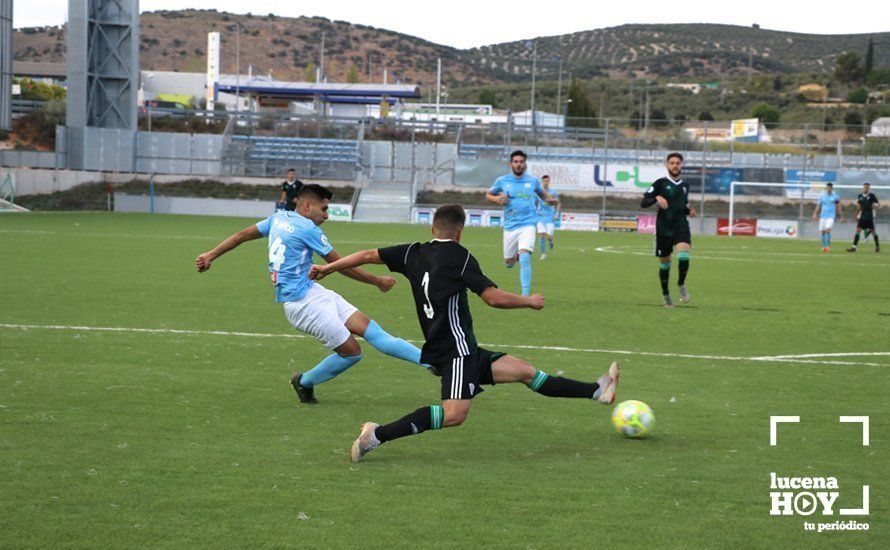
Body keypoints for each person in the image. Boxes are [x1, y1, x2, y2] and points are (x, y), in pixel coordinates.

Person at [308, 204, 620, 462]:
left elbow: (364, 255)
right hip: (456, 351)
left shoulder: (411, 253)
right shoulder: (460, 256)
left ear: (433, 228)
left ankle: (597, 390)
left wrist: (327, 269)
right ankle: (376, 435)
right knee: (454, 414)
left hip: (456, 347)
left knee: (525, 372)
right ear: (460, 231)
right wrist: (529, 301)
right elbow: (492, 298)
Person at [195, 184, 428, 405]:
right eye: (324, 209)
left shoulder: (278, 218)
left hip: (314, 292)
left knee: (372, 331)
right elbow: (341, 265)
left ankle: (430, 362)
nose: (326, 216)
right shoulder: (308, 229)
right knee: (352, 354)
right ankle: (304, 381)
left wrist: (210, 255)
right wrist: (376, 281)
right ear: (307, 206)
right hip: (301, 305)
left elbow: (241, 235)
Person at [486, 150, 557, 295]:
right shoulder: (502, 180)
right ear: (511, 164)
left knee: (525, 257)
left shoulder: (532, 181)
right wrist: (497, 199)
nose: (518, 164)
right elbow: (488, 195)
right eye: (516, 162)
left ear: (525, 164)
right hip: (511, 226)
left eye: (521, 162)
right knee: (509, 263)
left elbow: (544, 196)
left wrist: (550, 201)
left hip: (528, 224)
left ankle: (525, 295)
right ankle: (515, 256)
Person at [640, 152, 696, 308]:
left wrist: (689, 211)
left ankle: (681, 284)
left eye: (678, 163)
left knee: (684, 255)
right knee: (665, 264)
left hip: (681, 226)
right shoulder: (660, 183)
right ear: (667, 165)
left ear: (681, 165)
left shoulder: (685, 185)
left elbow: (681, 205)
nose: (675, 165)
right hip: (663, 229)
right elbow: (644, 202)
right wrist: (656, 198)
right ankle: (666, 295)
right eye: (672, 163)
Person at [847, 182, 880, 253]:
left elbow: (877, 204)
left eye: (867, 187)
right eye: (865, 187)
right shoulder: (860, 196)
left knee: (873, 232)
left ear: (869, 188)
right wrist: (856, 214)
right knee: (858, 230)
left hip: (869, 217)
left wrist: (875, 206)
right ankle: (854, 247)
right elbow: (859, 206)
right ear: (863, 187)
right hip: (862, 217)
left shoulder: (872, 196)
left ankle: (877, 247)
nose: (866, 188)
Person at [813, 182, 843, 253]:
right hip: (823, 216)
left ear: (832, 188)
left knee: (827, 230)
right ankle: (823, 246)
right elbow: (818, 205)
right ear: (826, 188)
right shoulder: (822, 196)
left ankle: (827, 247)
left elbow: (838, 206)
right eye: (828, 188)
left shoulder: (835, 197)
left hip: (831, 216)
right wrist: (815, 213)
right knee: (823, 232)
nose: (829, 189)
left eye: (830, 188)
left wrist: (841, 216)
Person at [536, 175, 561, 260]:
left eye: (547, 181)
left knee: (548, 236)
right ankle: (543, 254)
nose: (545, 182)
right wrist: (535, 210)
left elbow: (558, 203)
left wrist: (557, 213)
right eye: (544, 181)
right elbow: (533, 202)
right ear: (541, 182)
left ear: (549, 182)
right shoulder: (538, 192)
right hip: (540, 217)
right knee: (541, 235)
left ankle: (551, 240)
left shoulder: (553, 193)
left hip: (550, 217)